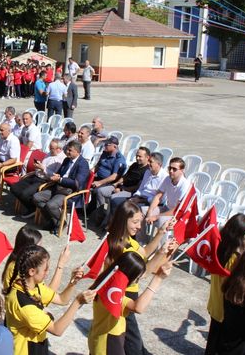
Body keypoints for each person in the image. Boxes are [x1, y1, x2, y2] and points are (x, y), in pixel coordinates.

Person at [105, 200, 176, 354]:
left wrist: (161, 238)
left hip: (127, 294)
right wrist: (158, 274)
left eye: (140, 222)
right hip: (122, 296)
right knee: (133, 343)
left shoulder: (128, 240)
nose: (139, 226)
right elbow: (143, 274)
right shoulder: (120, 249)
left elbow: (143, 254)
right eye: (135, 222)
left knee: (132, 340)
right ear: (123, 221)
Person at [4, 244, 95, 355]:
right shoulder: (23, 304)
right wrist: (77, 302)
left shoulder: (33, 286)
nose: (47, 273)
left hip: (37, 345)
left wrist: (73, 282)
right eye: (45, 269)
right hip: (27, 351)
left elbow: (62, 300)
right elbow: (57, 330)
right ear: (32, 271)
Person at [88, 251, 173, 355]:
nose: (136, 282)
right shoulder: (112, 293)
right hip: (108, 342)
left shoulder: (106, 282)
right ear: (129, 275)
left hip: (98, 337)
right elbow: (138, 307)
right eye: (136, 278)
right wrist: (158, 278)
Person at [204, 214, 245, 355]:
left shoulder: (219, 249)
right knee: (221, 346)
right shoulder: (235, 260)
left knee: (212, 342)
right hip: (226, 312)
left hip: (215, 306)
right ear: (237, 236)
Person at [33, 140, 89, 234]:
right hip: (58, 187)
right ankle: (54, 221)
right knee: (36, 197)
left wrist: (60, 179)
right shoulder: (67, 160)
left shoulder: (83, 164)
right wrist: (53, 176)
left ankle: (60, 223)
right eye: (67, 149)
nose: (67, 152)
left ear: (77, 152)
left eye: (70, 150)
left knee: (51, 205)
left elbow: (77, 183)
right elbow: (58, 174)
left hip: (70, 191)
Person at [1, 226, 70, 292]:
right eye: (39, 247)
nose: (42, 250)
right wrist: (61, 264)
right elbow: (49, 293)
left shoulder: (20, 262)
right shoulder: (20, 269)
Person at [107, 151, 166, 229]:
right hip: (139, 198)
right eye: (149, 161)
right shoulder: (148, 172)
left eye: (151, 162)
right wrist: (135, 197)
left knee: (129, 209)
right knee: (116, 201)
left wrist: (140, 200)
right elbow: (141, 188)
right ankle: (113, 228)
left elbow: (160, 200)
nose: (148, 163)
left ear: (159, 164)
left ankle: (125, 231)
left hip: (149, 203)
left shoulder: (164, 178)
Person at [11, 139, 66, 217]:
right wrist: (37, 167)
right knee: (14, 188)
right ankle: (30, 206)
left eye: (52, 148)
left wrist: (43, 168)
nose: (50, 149)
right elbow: (43, 165)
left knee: (25, 194)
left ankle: (32, 208)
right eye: (50, 147)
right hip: (36, 175)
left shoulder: (62, 160)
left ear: (59, 149)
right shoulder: (50, 153)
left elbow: (55, 175)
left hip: (44, 180)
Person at [145, 157, 190, 228]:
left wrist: (156, 216)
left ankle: (162, 239)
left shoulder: (185, 185)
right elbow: (158, 196)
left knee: (161, 220)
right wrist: (149, 212)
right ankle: (143, 238)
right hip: (167, 208)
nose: (171, 171)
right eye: (170, 168)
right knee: (144, 211)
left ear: (182, 171)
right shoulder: (168, 179)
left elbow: (177, 209)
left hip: (178, 214)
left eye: (174, 169)